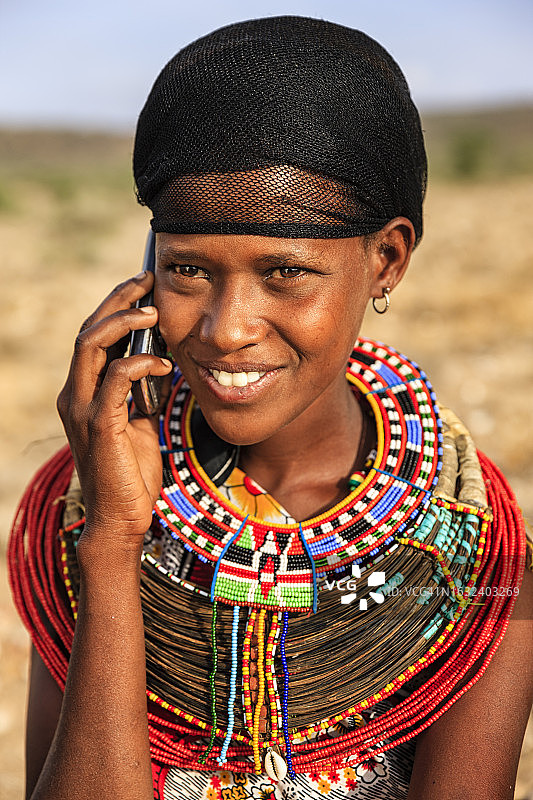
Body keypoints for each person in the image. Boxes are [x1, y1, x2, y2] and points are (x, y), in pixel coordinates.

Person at [8, 15, 533, 800]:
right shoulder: (87, 506)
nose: (226, 330)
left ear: (386, 260)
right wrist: (115, 544)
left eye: (284, 272)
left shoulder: (472, 557)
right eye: (186, 268)